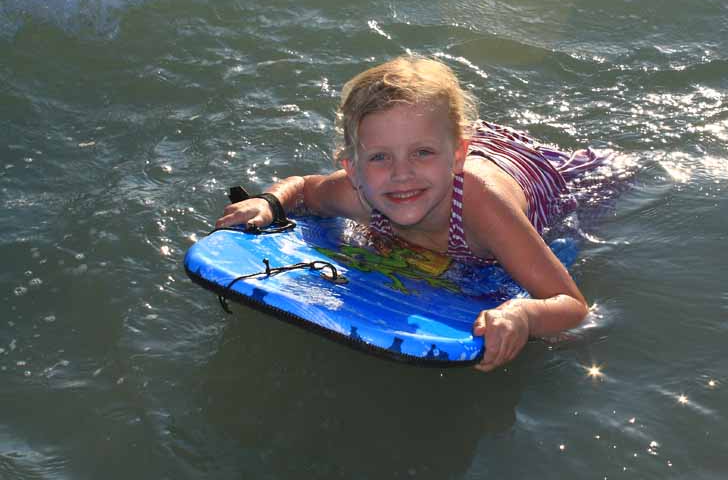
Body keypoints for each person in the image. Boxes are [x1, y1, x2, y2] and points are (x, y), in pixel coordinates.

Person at [216, 56, 608, 372]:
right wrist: (268, 202)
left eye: (420, 153)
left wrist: (525, 315)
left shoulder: (481, 207)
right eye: (380, 157)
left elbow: (572, 306)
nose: (401, 174)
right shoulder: (359, 194)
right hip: (458, 146)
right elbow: (302, 187)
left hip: (550, 176)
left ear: (457, 156)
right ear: (352, 168)